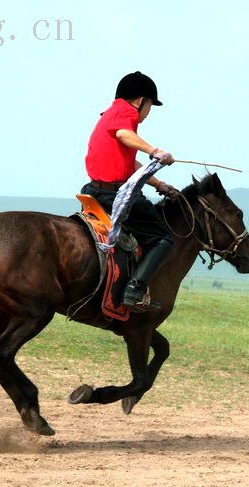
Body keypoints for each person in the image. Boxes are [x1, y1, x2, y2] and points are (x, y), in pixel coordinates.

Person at [81, 71, 179, 311]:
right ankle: (134, 290)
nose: (147, 113)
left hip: (93, 191)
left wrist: (159, 185)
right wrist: (154, 150)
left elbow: (130, 164)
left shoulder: (110, 115)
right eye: (149, 107)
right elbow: (126, 135)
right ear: (140, 101)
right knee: (164, 238)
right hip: (114, 195)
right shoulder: (126, 113)